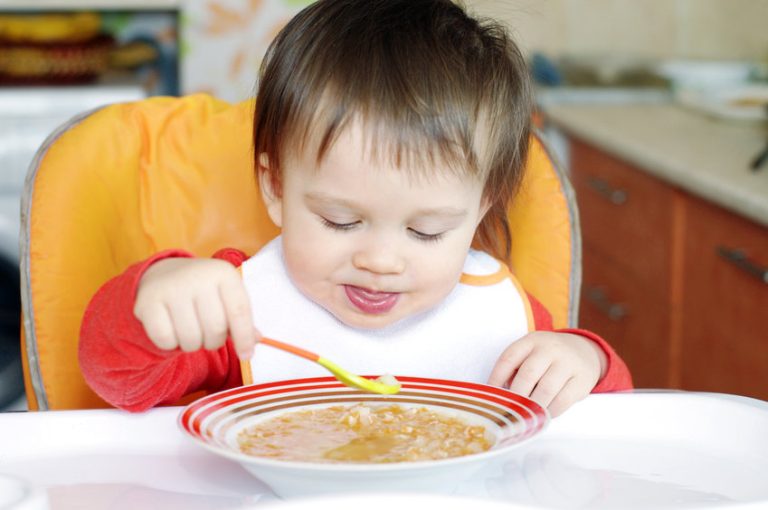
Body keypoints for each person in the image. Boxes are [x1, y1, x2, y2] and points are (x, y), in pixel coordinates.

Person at [79, 0, 632, 416]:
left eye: (427, 230)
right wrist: (156, 296)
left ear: (481, 208)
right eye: (340, 221)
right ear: (274, 187)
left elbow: (608, 416)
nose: (381, 260)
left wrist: (588, 362)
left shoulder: (497, 314)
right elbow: (118, 380)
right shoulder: (240, 307)